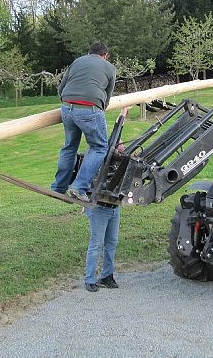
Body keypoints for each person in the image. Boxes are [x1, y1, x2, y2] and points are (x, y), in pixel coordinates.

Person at [51, 42, 116, 202]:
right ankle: (78, 187)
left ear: (89, 53)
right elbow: (107, 97)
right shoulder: (109, 67)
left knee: (69, 147)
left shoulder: (77, 62)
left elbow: (61, 88)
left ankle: (59, 187)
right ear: (105, 55)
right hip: (90, 109)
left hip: (67, 107)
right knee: (99, 147)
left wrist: (68, 103)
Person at [82, 106, 130, 292]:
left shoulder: (121, 163)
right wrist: (122, 115)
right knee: (96, 244)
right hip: (99, 208)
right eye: (120, 146)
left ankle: (107, 276)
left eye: (123, 147)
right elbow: (113, 139)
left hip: (114, 208)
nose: (122, 148)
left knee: (111, 243)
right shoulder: (103, 157)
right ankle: (90, 278)